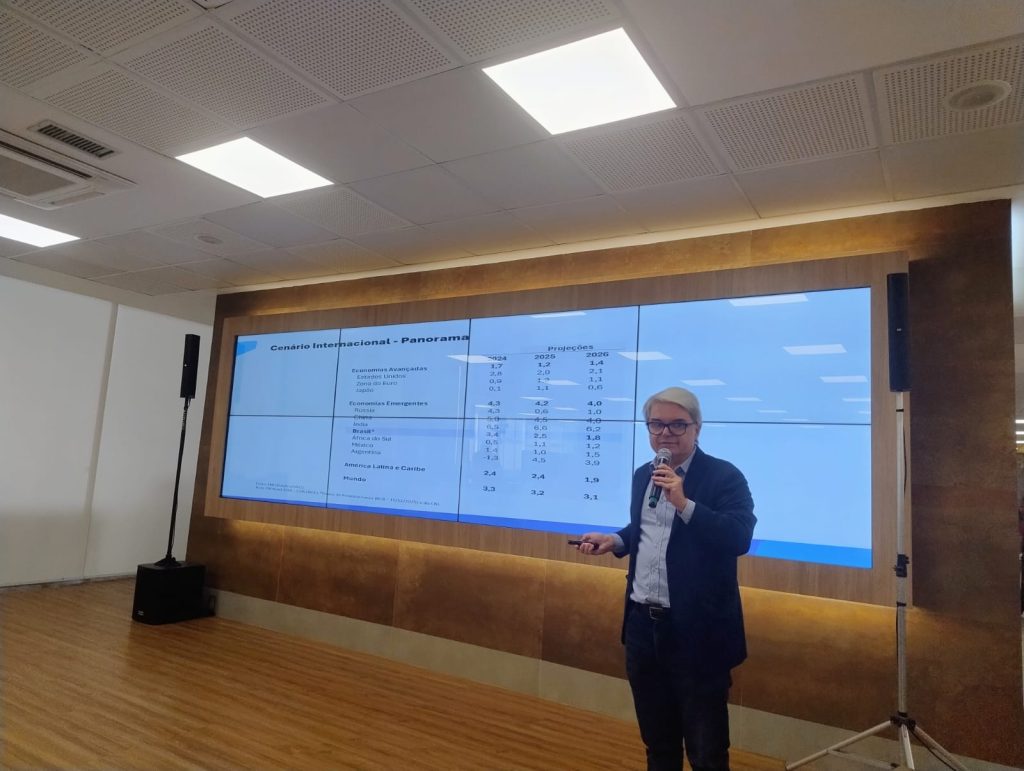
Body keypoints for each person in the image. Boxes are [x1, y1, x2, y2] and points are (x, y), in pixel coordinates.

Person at [576, 386, 756, 771]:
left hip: (697, 633)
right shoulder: (644, 474)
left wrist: (684, 503)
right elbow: (648, 530)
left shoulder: (725, 476)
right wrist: (616, 540)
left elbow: (738, 537)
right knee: (658, 747)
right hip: (644, 628)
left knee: (707, 753)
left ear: (697, 428)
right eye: (656, 424)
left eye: (677, 425)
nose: (665, 433)